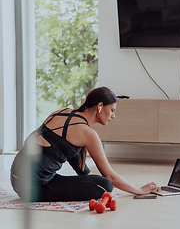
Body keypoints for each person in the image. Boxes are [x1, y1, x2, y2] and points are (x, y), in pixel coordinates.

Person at [10, 86, 159, 202]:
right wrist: (140, 191)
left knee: (96, 178)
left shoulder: (61, 112)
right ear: (100, 106)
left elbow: (29, 140)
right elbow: (110, 177)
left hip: (16, 178)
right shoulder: (88, 133)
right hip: (33, 188)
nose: (114, 116)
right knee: (105, 185)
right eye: (112, 110)